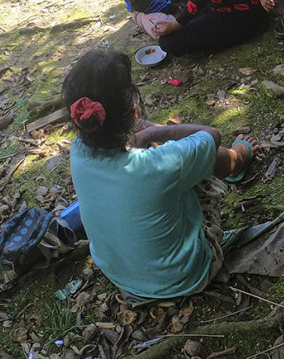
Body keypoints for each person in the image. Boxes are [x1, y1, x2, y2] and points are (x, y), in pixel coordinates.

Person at [64, 48, 258, 303]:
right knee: (202, 162)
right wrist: (152, 133)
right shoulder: (157, 166)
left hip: (121, 277)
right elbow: (211, 136)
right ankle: (239, 159)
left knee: (171, 161)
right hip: (186, 276)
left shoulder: (77, 151)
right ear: (131, 110)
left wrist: (143, 134)